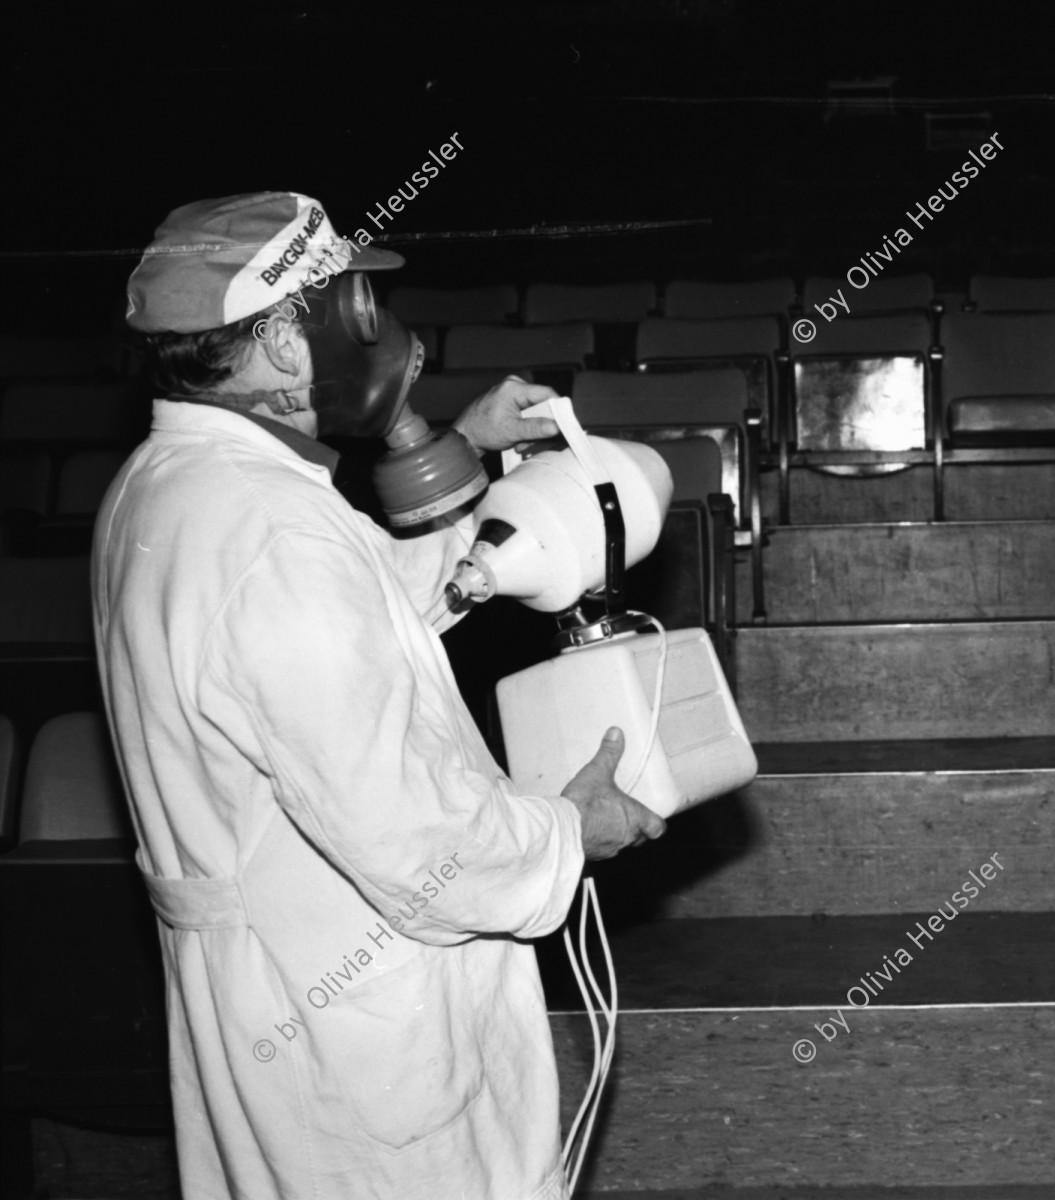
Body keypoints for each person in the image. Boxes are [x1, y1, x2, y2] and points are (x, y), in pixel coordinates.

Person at [94, 191, 665, 1199]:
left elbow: (361, 624)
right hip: (354, 1014)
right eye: (351, 308)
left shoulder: (172, 486)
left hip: (269, 989)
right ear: (278, 343)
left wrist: (479, 470)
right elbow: (421, 850)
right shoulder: (270, 535)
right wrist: (572, 833)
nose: (383, 333)